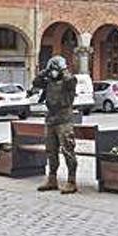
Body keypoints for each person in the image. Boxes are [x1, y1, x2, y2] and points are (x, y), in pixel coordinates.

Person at [32, 56, 78, 194]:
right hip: (51, 119)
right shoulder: (49, 82)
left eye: (55, 69)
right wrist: (45, 71)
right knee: (51, 151)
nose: (53, 72)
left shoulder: (69, 81)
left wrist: (62, 69)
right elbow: (36, 82)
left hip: (64, 120)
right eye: (52, 70)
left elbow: (70, 80)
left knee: (68, 150)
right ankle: (52, 178)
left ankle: (71, 181)